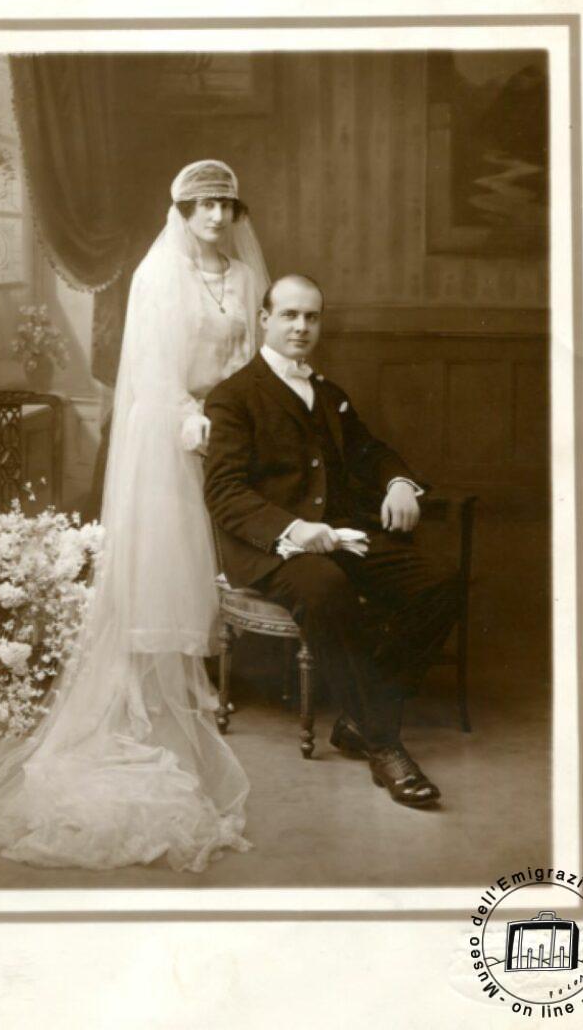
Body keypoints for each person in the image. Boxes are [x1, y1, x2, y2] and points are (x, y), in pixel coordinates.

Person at [0, 160, 270, 871]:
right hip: (172, 432)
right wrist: (192, 422)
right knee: (174, 556)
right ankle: (164, 690)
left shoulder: (248, 278)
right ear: (181, 213)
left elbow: (250, 358)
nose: (217, 216)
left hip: (231, 430)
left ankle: (212, 679)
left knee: (225, 549)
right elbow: (156, 372)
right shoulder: (159, 277)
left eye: (226, 203)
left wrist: (236, 422)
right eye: (203, 205)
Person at [203, 274, 460, 808]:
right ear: (265, 320)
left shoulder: (328, 393)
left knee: (439, 583)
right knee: (326, 590)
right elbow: (224, 492)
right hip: (274, 548)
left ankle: (362, 718)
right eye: (290, 315)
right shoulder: (233, 397)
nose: (301, 327)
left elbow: (371, 451)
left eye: (312, 317)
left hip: (340, 534)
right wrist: (293, 529)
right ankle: (386, 747)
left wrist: (398, 482)